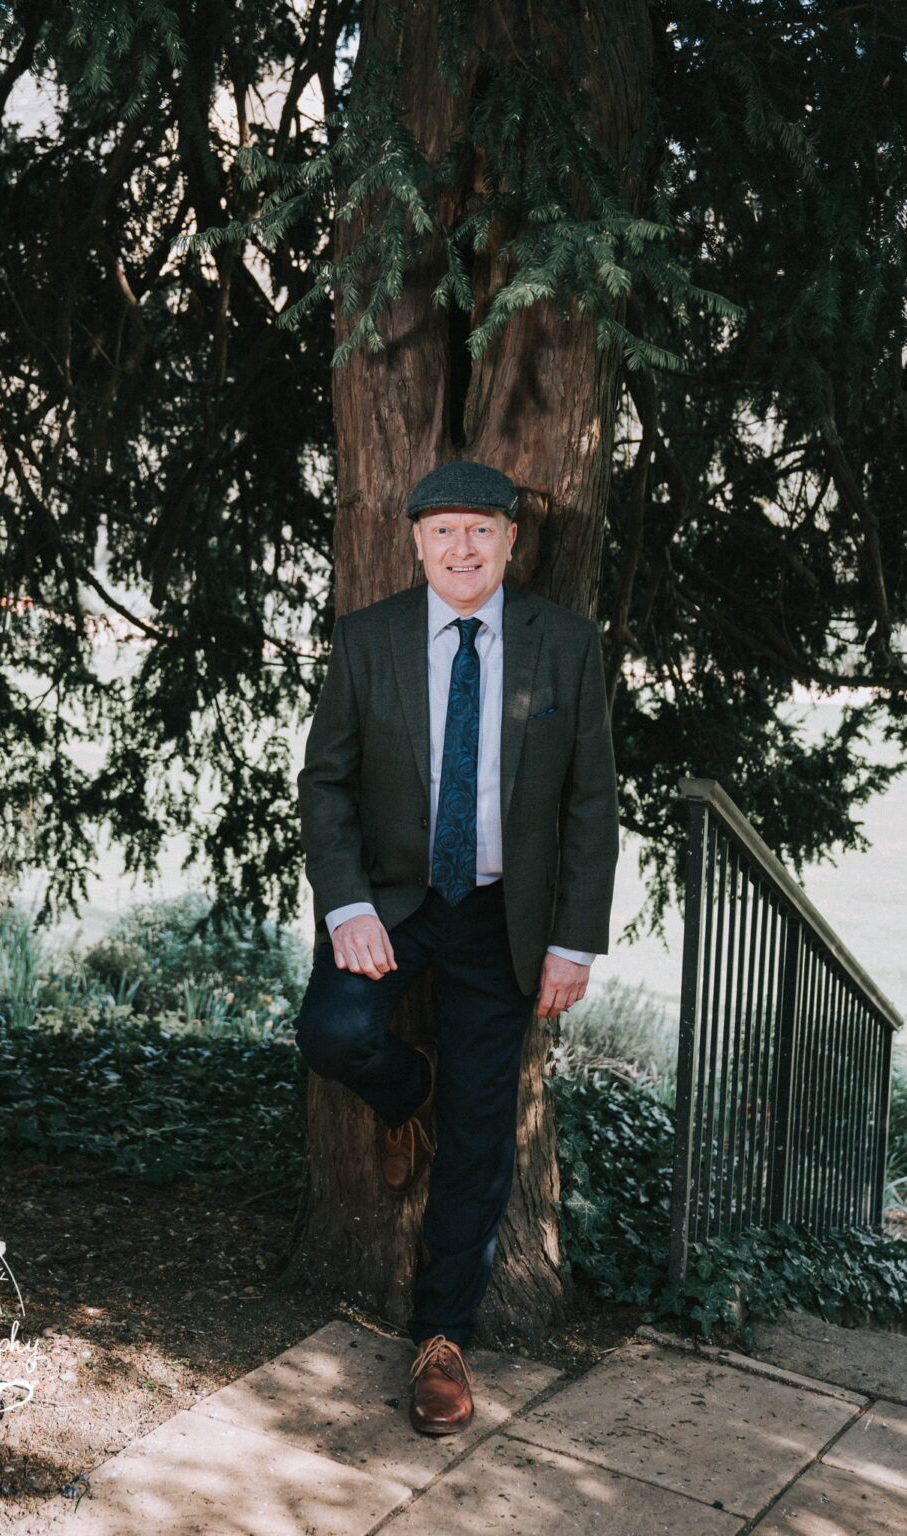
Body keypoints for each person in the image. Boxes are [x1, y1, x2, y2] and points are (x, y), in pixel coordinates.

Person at [293, 459, 619, 1436]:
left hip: (502, 916)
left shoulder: (564, 646)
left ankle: (439, 1339)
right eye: (442, 532)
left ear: (510, 542)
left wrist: (572, 939)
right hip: (392, 899)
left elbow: (589, 802)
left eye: (481, 530)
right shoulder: (367, 639)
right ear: (416, 542)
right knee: (333, 1034)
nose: (462, 548)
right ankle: (405, 1091)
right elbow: (326, 785)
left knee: (481, 1132)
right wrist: (346, 904)